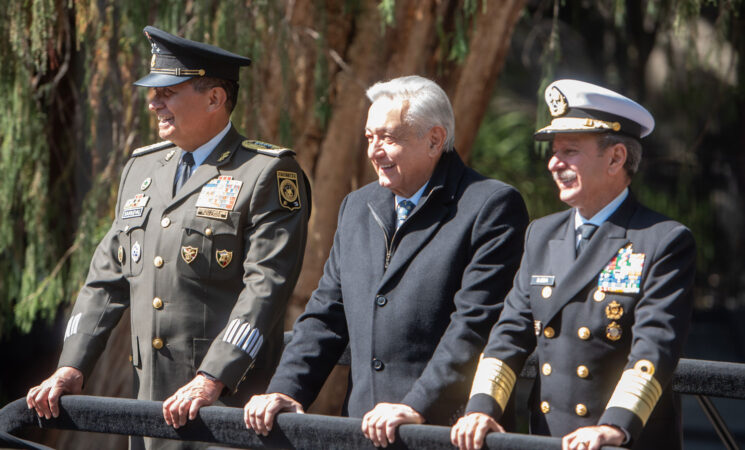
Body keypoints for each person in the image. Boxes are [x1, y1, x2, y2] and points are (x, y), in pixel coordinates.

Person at [26, 26, 310, 449]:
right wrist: (71, 365)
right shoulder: (142, 169)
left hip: (226, 411)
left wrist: (214, 376)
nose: (153, 101)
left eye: (169, 92)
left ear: (215, 98)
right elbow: (105, 280)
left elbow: (266, 288)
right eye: (154, 91)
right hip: (151, 411)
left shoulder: (266, 172)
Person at [243, 75, 529, 447]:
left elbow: (473, 326)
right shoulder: (357, 207)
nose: (374, 151)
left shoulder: (490, 206)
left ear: (435, 140)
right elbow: (326, 313)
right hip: (363, 431)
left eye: (389, 138)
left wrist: (415, 407)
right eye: (369, 137)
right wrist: (285, 389)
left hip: (442, 433)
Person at [451, 79, 696, 450]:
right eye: (553, 151)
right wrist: (481, 409)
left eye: (569, 151)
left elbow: (654, 350)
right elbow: (508, 336)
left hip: (618, 441)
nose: (553, 163)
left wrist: (614, 427)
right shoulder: (541, 234)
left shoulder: (663, 239)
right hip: (550, 440)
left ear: (615, 158)